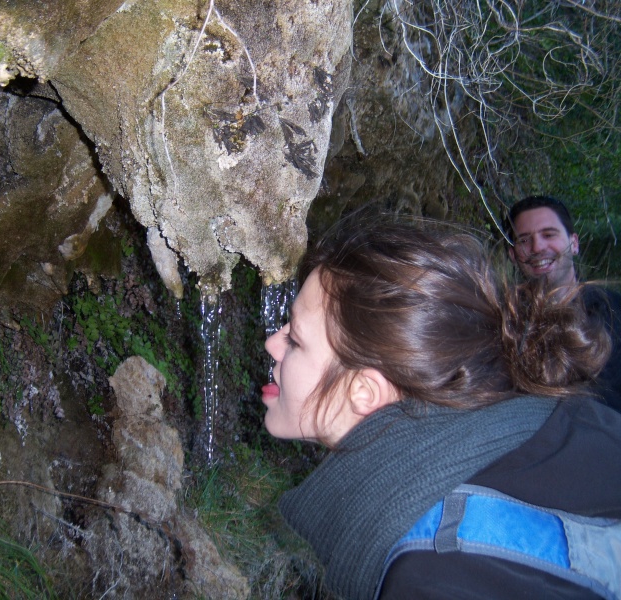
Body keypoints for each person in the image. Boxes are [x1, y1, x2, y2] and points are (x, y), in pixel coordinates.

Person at [261, 220, 621, 599]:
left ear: (363, 392)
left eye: (295, 340)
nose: (272, 343)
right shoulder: (556, 420)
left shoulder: (432, 571)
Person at [507, 195, 621, 411]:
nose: (537, 247)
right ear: (513, 255)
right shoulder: (503, 323)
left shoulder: (615, 311)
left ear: (574, 243)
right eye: (523, 240)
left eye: (549, 234)